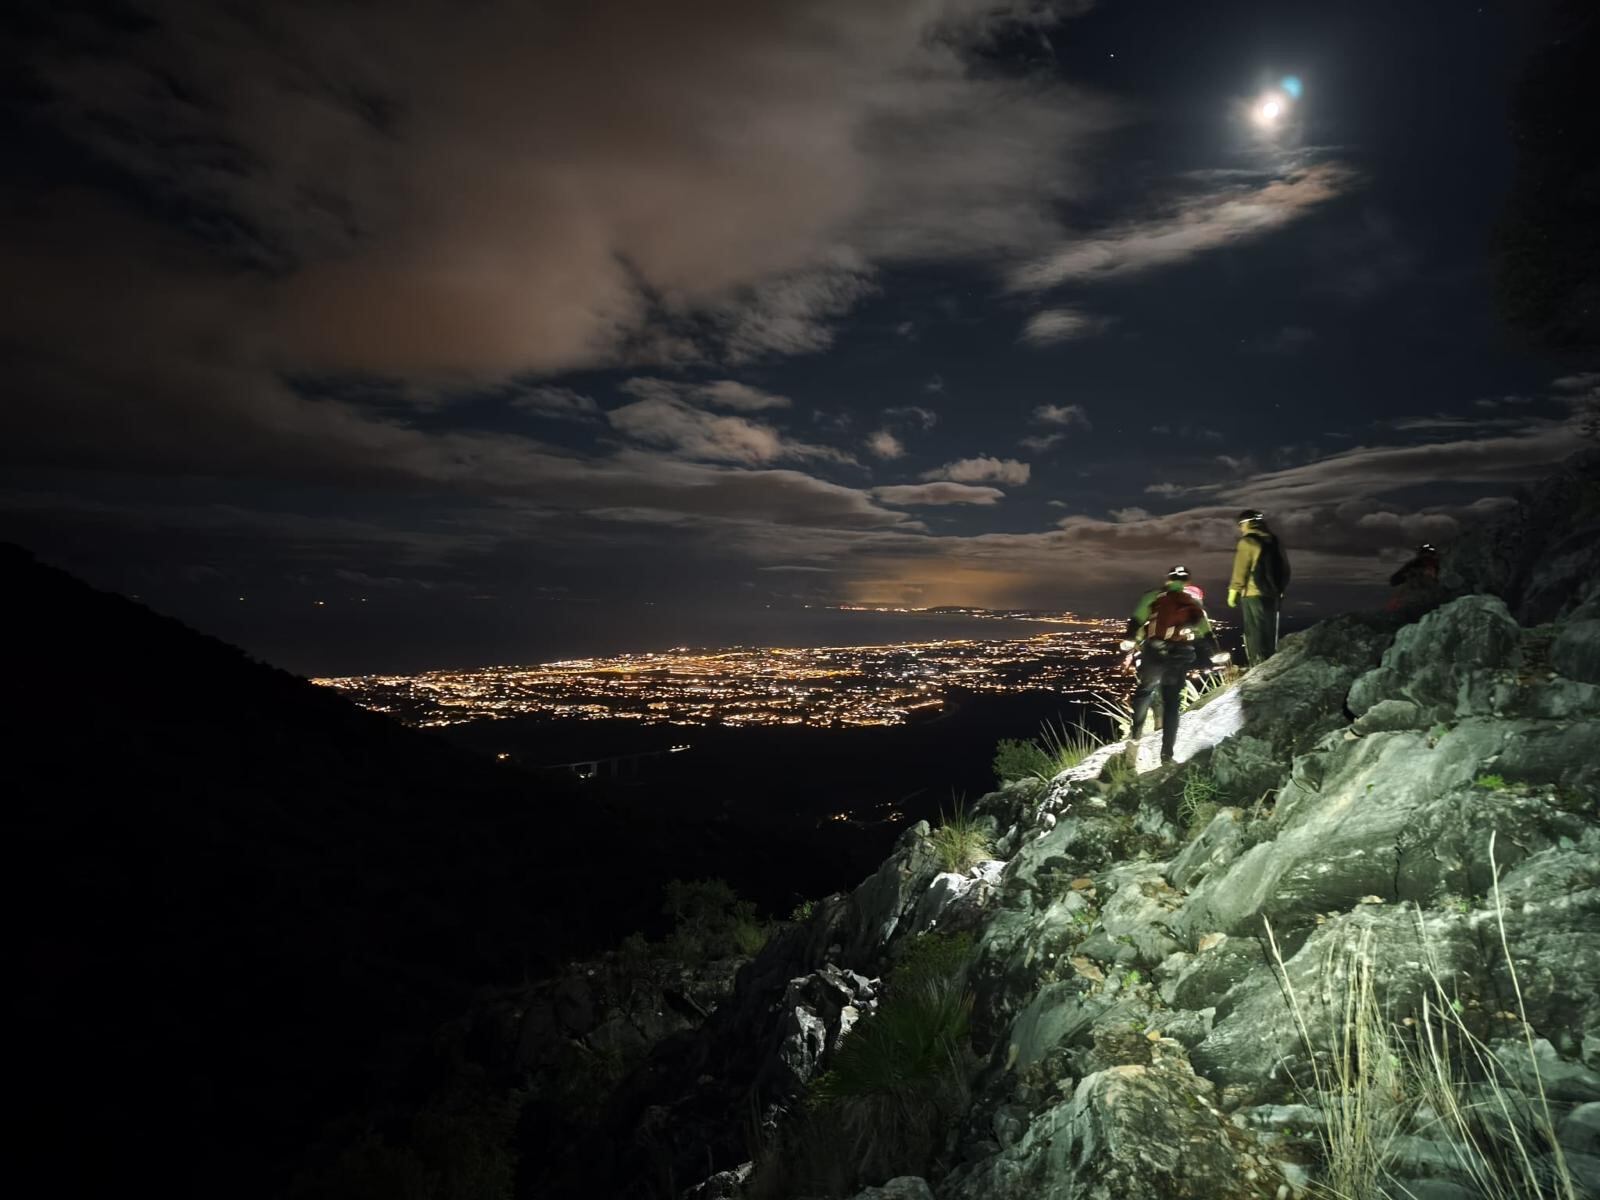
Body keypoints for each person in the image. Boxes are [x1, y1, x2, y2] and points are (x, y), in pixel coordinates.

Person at [1120, 566, 1230, 765]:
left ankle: (1135, 738)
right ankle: (1167, 755)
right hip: (1179, 655)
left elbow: (1137, 619)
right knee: (1172, 703)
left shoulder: (1154, 596)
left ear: (1168, 579)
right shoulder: (1192, 602)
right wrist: (1215, 652)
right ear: (1187, 582)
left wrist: (1129, 638)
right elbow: (1206, 632)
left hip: (1154, 651)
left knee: (1145, 691)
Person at [1227, 509, 1291, 665]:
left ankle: (1257, 664)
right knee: (1269, 631)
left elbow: (1240, 570)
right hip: (1273, 594)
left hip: (1253, 593)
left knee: (1255, 633)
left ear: (1246, 524)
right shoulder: (1274, 541)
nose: (1241, 529)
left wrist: (1233, 592)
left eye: (1241, 525)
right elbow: (1285, 568)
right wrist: (1280, 589)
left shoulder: (1248, 542)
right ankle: (1270, 661)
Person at [1387, 542, 1441, 616]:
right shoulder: (1413, 566)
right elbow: (1394, 581)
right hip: (1411, 598)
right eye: (1425, 557)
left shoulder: (1438, 567)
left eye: (1429, 557)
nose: (1427, 561)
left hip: (1425, 600)